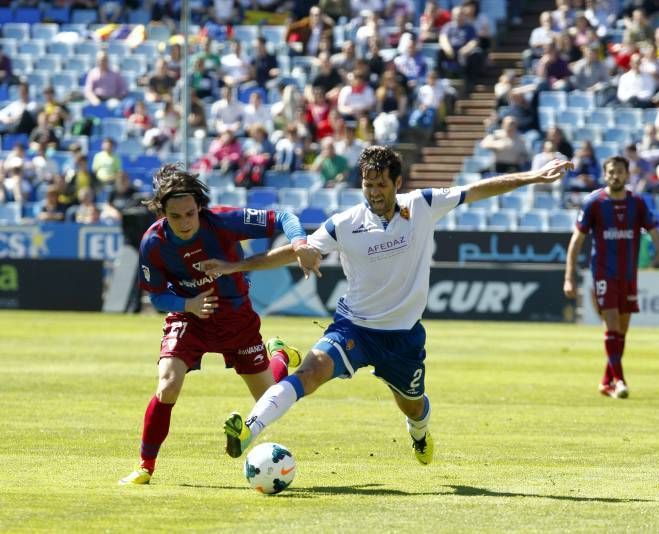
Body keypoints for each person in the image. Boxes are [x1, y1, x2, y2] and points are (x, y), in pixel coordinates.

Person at [200, 146, 572, 465]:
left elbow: (478, 189)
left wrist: (534, 177)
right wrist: (239, 264)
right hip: (354, 327)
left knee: (412, 405)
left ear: (397, 183)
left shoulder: (423, 204)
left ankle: (420, 434)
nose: (373, 192)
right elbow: (297, 250)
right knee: (310, 374)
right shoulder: (345, 223)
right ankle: (249, 431)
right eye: (367, 184)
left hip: (402, 337)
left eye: (380, 184)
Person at [118, 164, 322, 485]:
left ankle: (279, 355)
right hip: (189, 317)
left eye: (189, 214)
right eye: (175, 216)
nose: (184, 223)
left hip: (236, 319)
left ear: (199, 206)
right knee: (168, 384)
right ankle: (146, 465)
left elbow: (284, 217)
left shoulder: (223, 221)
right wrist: (188, 304)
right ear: (163, 212)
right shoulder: (153, 243)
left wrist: (298, 243)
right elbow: (157, 298)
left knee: (269, 400)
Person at [563, 156, 659, 400]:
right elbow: (576, 241)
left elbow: (655, 233)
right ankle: (620, 381)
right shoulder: (594, 202)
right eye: (611, 172)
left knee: (622, 330)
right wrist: (569, 276)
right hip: (604, 272)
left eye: (620, 172)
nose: (615, 176)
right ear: (605, 175)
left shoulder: (637, 203)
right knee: (612, 324)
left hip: (628, 274)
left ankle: (606, 382)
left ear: (627, 175)